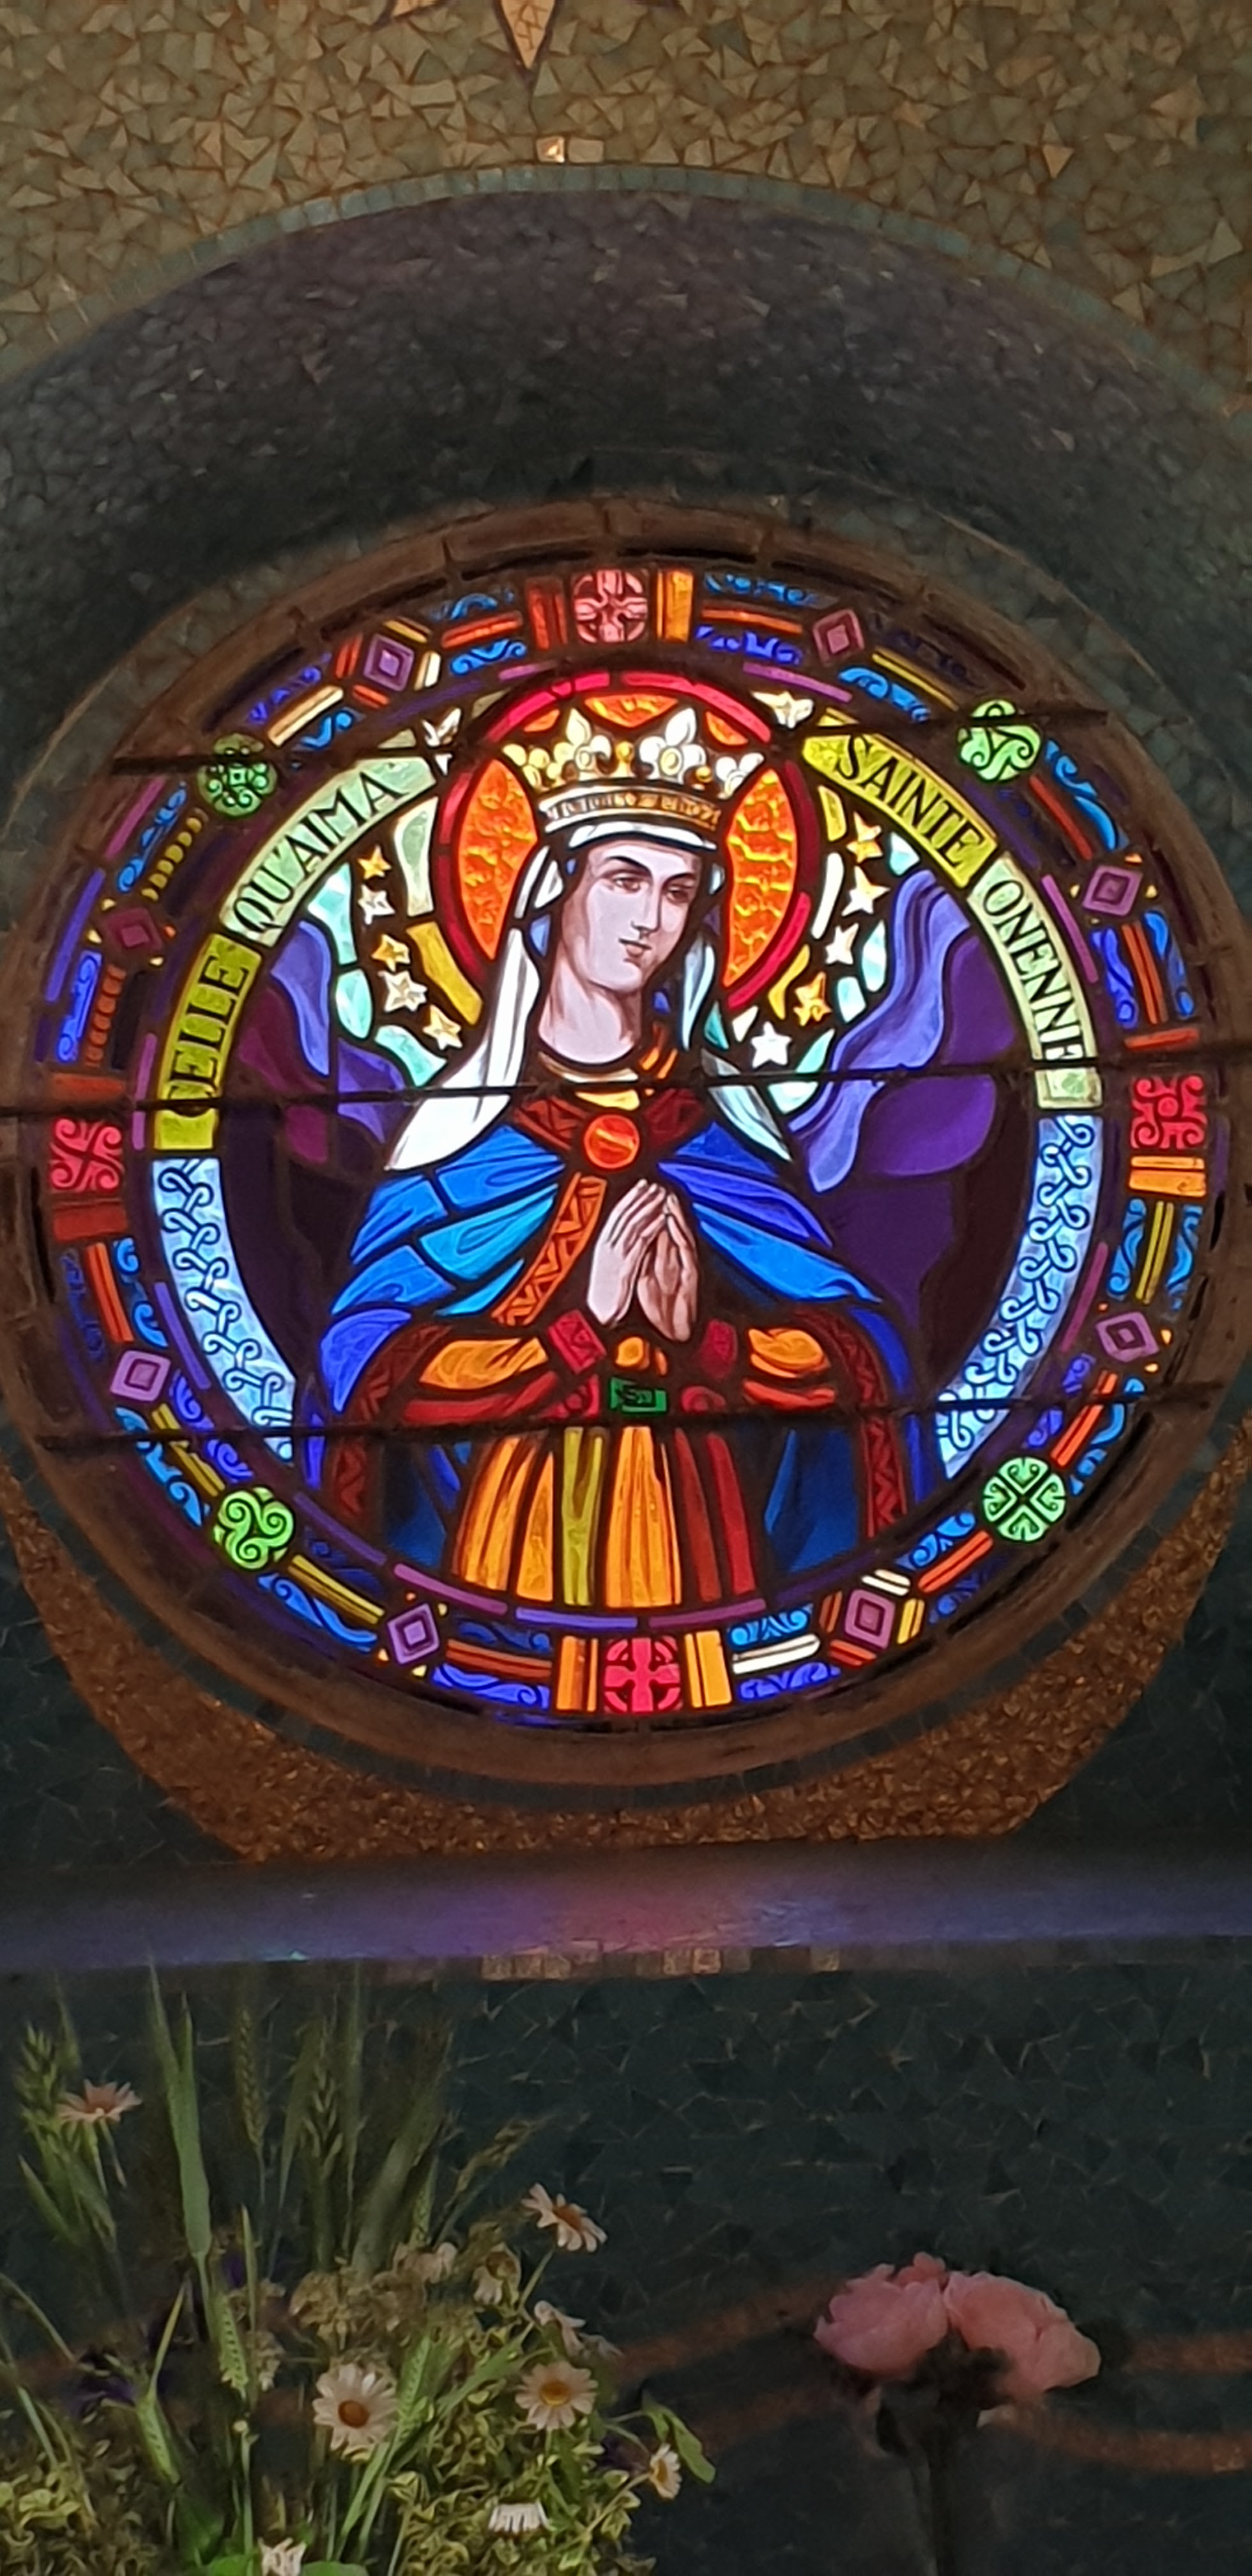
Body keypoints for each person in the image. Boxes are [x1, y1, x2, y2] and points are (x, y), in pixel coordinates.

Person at [309, 717, 927, 1713]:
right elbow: (366, 1367)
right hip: (508, 1535)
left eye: (679, 893)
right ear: (553, 894)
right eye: (625, 880)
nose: (651, 921)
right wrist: (571, 1334)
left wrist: (714, 1346)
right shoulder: (462, 1141)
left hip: (707, 1523)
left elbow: (864, 1355)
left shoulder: (719, 1137)